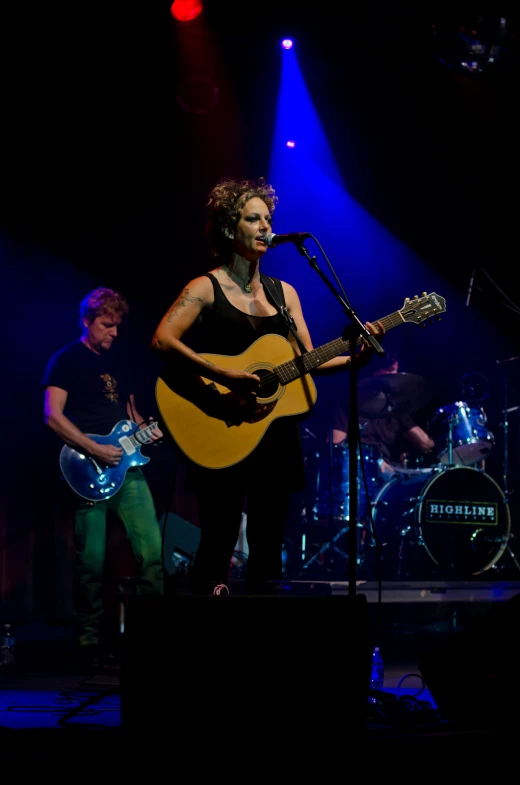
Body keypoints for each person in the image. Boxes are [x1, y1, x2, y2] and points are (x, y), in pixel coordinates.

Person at [151, 176, 385, 595]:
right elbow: (162, 339)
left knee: (268, 546)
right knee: (218, 539)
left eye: (268, 219)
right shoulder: (204, 287)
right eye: (252, 218)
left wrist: (356, 358)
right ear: (228, 228)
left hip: (274, 433)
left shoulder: (284, 294)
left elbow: (309, 360)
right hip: (220, 420)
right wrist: (225, 377)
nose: (264, 227)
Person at [42, 287, 164, 665]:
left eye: (117, 326)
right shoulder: (66, 360)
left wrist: (149, 429)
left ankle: (153, 637)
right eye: (107, 325)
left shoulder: (119, 362)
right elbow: (52, 414)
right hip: (87, 469)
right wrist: (94, 449)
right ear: (87, 321)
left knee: (152, 552)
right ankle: (88, 640)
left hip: (127, 471)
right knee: (90, 560)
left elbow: (131, 413)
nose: (113, 332)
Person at [330, 350, 436, 481]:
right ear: (377, 373)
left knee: (426, 479)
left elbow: (425, 444)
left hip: (393, 469)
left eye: (396, 370)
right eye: (391, 371)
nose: (396, 375)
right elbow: (335, 445)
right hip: (361, 468)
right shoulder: (349, 404)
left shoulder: (396, 408)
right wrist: (374, 461)